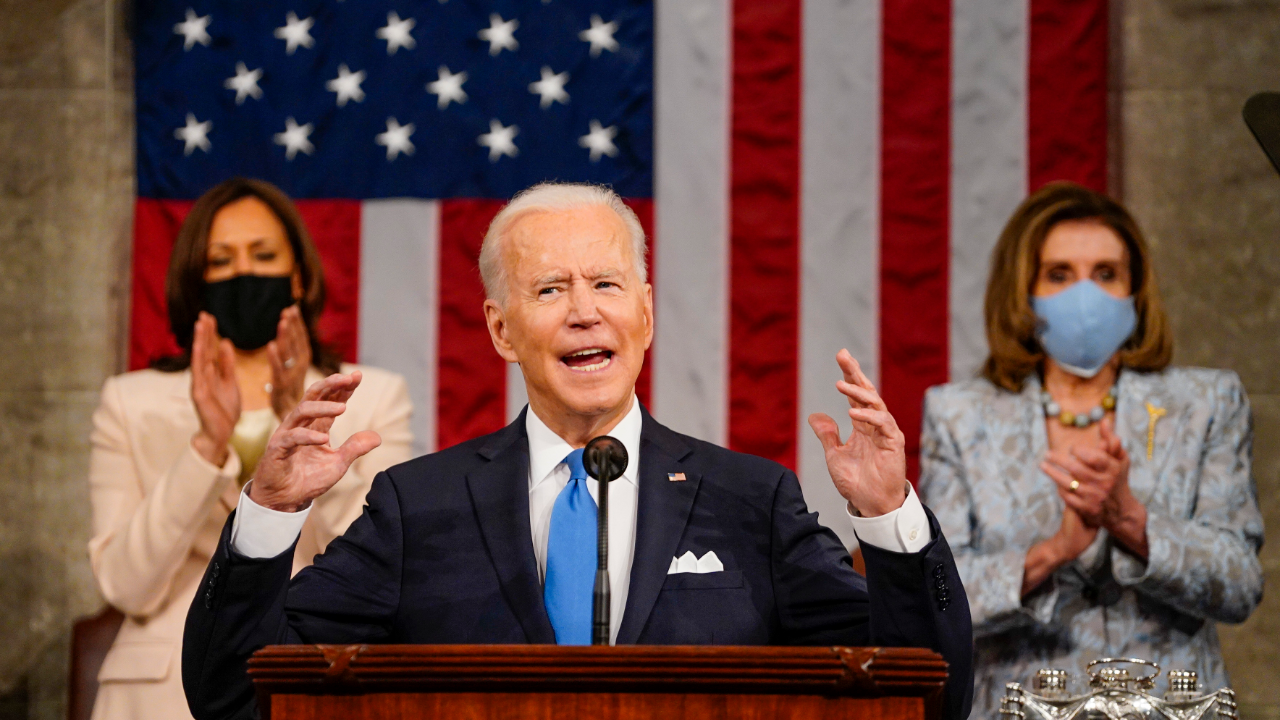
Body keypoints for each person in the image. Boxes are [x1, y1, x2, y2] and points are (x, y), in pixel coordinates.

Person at [181, 182, 974, 720]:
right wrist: (270, 514)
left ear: (647, 313)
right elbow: (234, 697)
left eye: (607, 284)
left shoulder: (751, 501)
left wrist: (888, 518)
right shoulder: (417, 507)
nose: (585, 313)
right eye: (551, 290)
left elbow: (924, 698)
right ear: (501, 330)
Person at [918, 182, 1264, 715]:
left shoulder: (1206, 402)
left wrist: (1132, 523)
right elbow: (936, 596)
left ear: (1135, 290)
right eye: (1060, 274)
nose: (1087, 296)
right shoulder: (960, 414)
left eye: (1107, 274)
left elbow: (1240, 583)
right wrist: (1052, 552)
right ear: (1023, 290)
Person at [87, 178, 413, 720]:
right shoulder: (129, 401)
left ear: (299, 276)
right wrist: (206, 448)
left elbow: (382, 567)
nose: (245, 273)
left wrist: (312, 433)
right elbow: (126, 585)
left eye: (263, 255)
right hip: (159, 696)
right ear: (197, 281)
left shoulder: (373, 395)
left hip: (319, 678)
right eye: (221, 260)